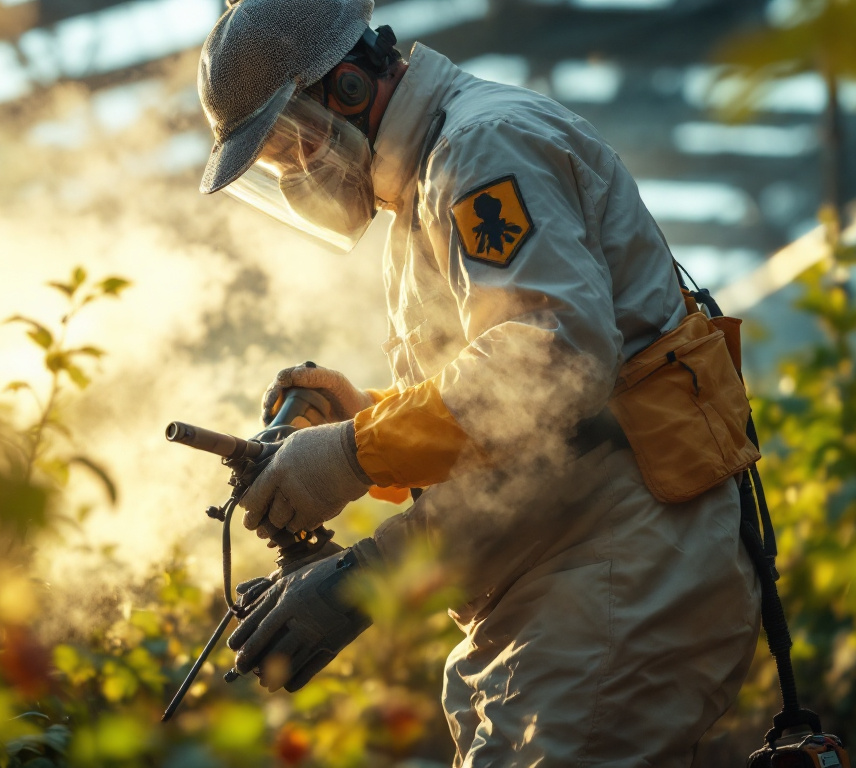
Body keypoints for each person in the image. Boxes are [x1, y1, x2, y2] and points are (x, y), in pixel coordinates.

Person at [196, 0, 761, 764]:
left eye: (291, 151)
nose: (298, 180)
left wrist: (352, 456)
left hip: (616, 580)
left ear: (350, 87)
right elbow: (508, 414)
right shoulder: (425, 187)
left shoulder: (481, 149)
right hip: (560, 593)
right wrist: (365, 422)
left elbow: (550, 366)